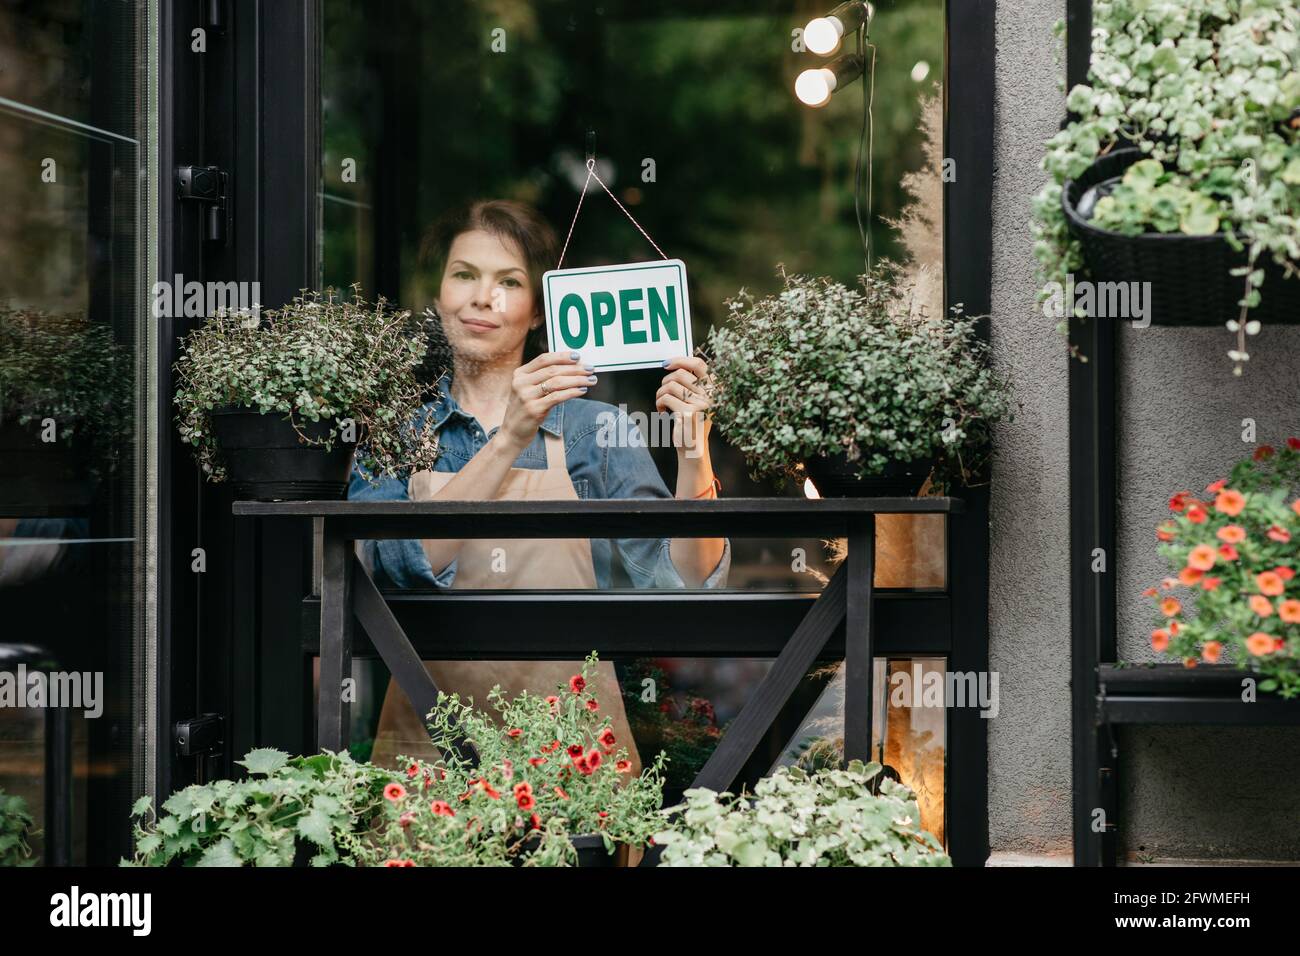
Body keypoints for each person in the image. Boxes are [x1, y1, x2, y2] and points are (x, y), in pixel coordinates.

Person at [350, 199, 730, 773]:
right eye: (464, 275)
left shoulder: (597, 430)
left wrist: (693, 450)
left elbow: (682, 582)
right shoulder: (397, 430)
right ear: (439, 295)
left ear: (535, 314)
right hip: (427, 772)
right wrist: (508, 440)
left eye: (509, 281)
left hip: (572, 766)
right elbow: (396, 568)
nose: (483, 297)